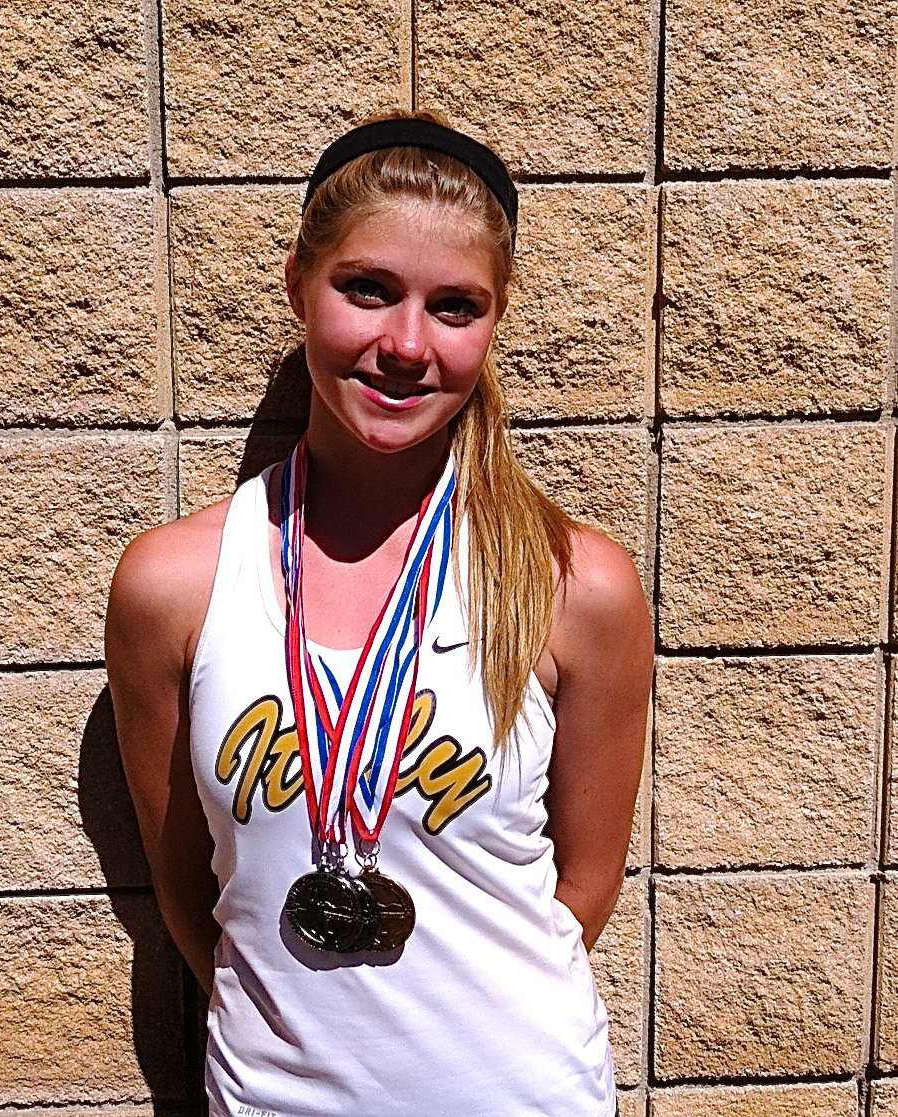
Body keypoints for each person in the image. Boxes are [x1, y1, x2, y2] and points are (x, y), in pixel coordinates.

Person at [105, 110, 653, 1117]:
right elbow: (190, 891)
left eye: (453, 306)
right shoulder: (173, 586)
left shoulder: (576, 588)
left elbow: (584, 884)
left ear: (491, 325)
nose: (406, 343)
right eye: (367, 289)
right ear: (297, 289)